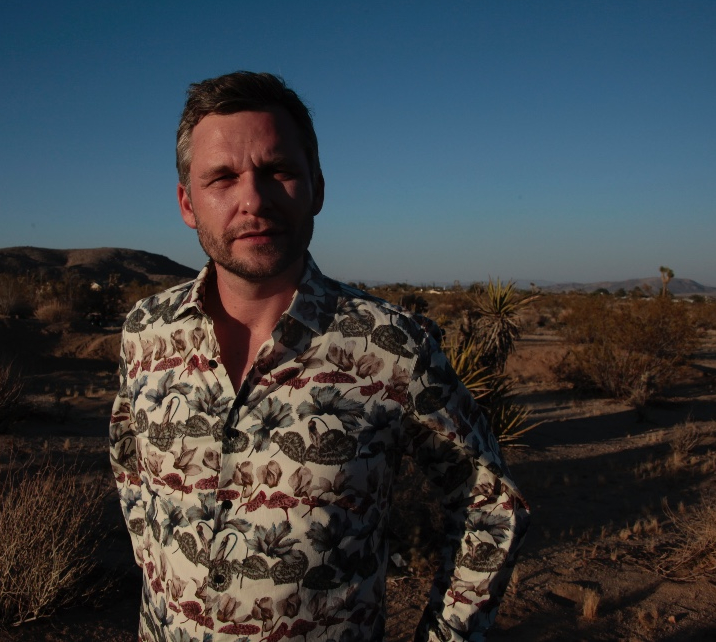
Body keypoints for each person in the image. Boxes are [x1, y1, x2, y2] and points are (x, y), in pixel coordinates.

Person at [110, 71, 529, 642]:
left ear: (318, 189)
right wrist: (162, 572)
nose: (253, 200)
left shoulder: (392, 346)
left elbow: (490, 503)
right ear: (188, 203)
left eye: (278, 171)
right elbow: (129, 462)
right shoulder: (146, 331)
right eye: (222, 178)